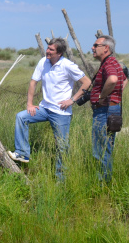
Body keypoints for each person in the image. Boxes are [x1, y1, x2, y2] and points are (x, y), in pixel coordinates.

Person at [7, 38, 91, 181]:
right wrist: (29, 104)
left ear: (59, 53)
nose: (48, 51)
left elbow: (87, 82)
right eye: (48, 48)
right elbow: (33, 83)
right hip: (44, 107)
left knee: (62, 146)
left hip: (61, 113)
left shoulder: (67, 65)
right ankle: (22, 153)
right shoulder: (43, 62)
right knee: (21, 117)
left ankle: (60, 179)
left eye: (51, 50)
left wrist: (72, 100)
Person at [90, 35, 126, 182]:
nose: (92, 48)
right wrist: (116, 96)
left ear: (106, 48)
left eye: (95, 45)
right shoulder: (113, 62)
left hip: (104, 112)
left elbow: (113, 79)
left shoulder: (108, 64)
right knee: (107, 148)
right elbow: (124, 79)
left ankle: (101, 184)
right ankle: (106, 182)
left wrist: (102, 97)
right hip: (112, 110)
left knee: (101, 150)